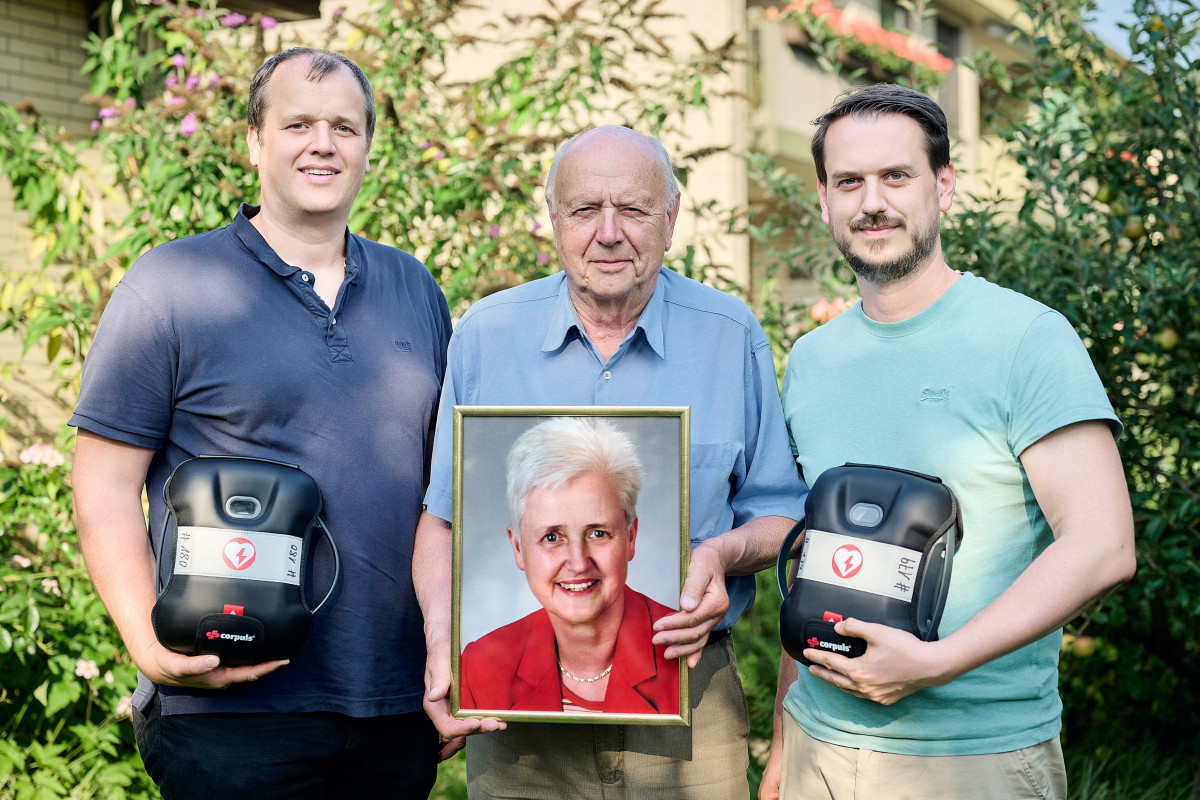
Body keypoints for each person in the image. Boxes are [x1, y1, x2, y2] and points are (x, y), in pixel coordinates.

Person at [69, 48, 451, 799]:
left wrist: (442, 660)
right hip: (228, 708)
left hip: (390, 703)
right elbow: (103, 485)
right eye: (298, 123)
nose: (323, 143)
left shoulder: (415, 287)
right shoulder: (172, 286)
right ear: (253, 139)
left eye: (344, 126)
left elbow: (444, 500)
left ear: (368, 145)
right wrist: (145, 644)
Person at [761, 83, 1136, 800]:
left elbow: (1104, 545)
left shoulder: (1027, 338)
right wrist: (783, 740)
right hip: (819, 747)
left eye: (895, 176)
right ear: (824, 200)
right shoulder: (812, 358)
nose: (872, 201)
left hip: (975, 759)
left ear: (944, 186)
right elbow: (817, 557)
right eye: (849, 182)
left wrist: (935, 663)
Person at [412, 125, 806, 798]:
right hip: (519, 714)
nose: (609, 232)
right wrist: (443, 646)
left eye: (633, 209)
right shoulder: (488, 334)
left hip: (688, 701)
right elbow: (441, 522)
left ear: (672, 216)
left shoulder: (728, 335)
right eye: (586, 210)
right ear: (554, 218)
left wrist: (720, 553)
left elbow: (781, 516)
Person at [459, 416, 679, 716]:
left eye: (598, 533)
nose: (577, 563)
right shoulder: (481, 665)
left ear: (630, 536)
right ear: (518, 547)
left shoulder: (681, 652)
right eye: (552, 537)